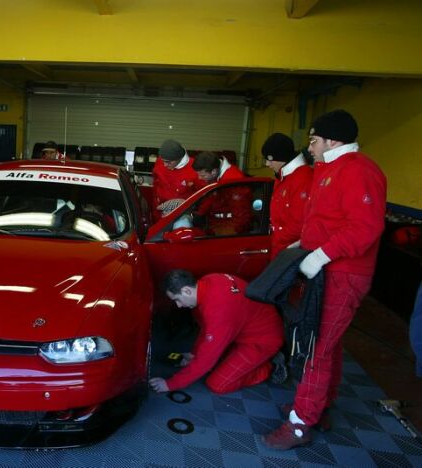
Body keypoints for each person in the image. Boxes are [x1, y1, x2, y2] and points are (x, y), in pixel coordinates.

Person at [262, 109, 387, 450]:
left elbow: (365, 227)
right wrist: (304, 244)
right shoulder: (329, 170)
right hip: (327, 271)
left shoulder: (359, 170)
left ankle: (301, 423)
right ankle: (320, 405)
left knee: (317, 347)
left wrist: (319, 255)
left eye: (314, 141)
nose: (310, 148)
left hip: (343, 274)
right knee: (328, 345)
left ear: (333, 140)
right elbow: (328, 220)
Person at [149, 269, 283, 395]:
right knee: (212, 361)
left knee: (217, 384)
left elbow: (206, 360)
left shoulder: (219, 311)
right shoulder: (208, 280)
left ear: (187, 290)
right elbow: (206, 329)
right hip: (243, 331)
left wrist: (171, 384)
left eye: (177, 299)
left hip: (262, 341)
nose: (179, 305)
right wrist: (193, 354)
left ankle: (269, 368)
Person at [261, 133, 313, 258]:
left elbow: (299, 224)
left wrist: (275, 240)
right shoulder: (283, 177)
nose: (267, 164)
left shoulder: (302, 178)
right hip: (281, 249)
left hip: (290, 252)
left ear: (281, 158)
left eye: (270, 159)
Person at [191, 151, 251, 235]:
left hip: (227, 229)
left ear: (214, 171)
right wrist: (200, 214)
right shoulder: (215, 175)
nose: (199, 178)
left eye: (203, 175)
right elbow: (212, 197)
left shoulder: (234, 181)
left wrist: (222, 236)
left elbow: (241, 218)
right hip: (215, 224)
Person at [151, 139, 203, 220]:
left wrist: (198, 214)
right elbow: (155, 186)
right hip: (160, 214)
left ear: (179, 158)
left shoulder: (195, 168)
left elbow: (202, 194)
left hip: (182, 215)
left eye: (168, 162)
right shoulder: (160, 162)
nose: (164, 165)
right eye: (163, 161)